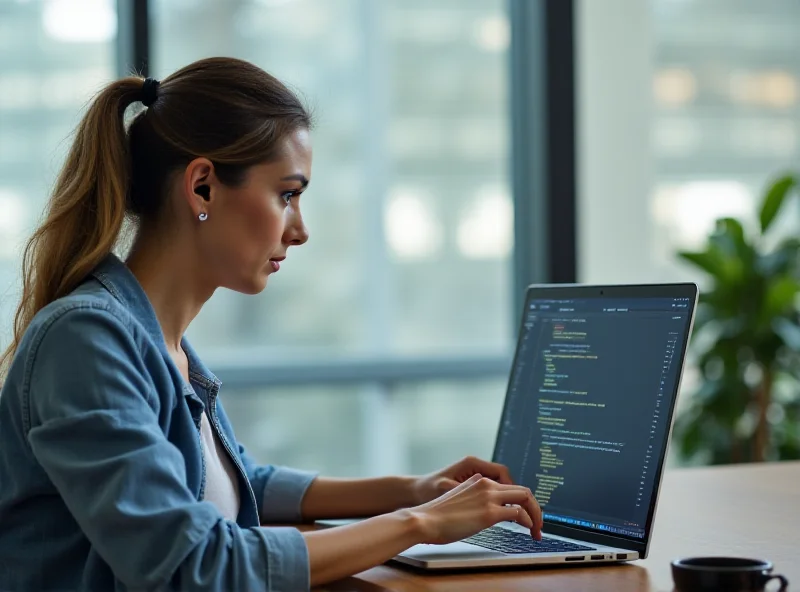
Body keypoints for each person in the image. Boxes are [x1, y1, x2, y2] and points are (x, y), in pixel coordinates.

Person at [0, 57, 542, 591]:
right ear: (203, 187)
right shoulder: (87, 341)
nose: (300, 230)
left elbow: (239, 485)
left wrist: (413, 489)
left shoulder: (162, 345)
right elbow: (192, 564)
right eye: (287, 195)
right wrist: (421, 525)